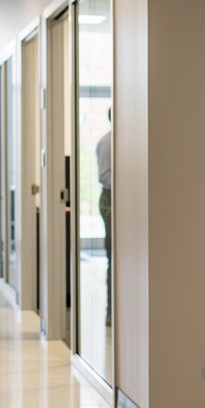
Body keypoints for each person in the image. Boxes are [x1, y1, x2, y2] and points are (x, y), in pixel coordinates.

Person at [95, 110, 112, 325]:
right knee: (114, 258)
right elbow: (105, 176)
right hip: (111, 201)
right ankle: (112, 311)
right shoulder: (108, 142)